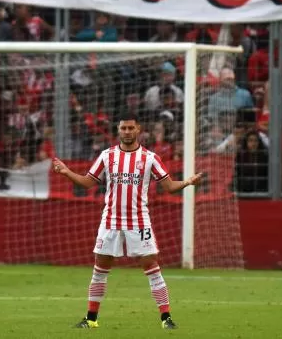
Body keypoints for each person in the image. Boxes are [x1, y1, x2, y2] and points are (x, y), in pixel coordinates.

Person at [51, 118, 203, 331]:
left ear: (138, 130)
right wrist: (67, 172)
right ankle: (91, 318)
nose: (127, 131)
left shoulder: (150, 158)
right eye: (123, 127)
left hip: (139, 221)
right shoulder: (107, 155)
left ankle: (166, 318)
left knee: (151, 266)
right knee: (100, 268)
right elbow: (88, 182)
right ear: (118, 130)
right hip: (110, 221)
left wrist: (187, 182)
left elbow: (168, 186)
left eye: (131, 128)